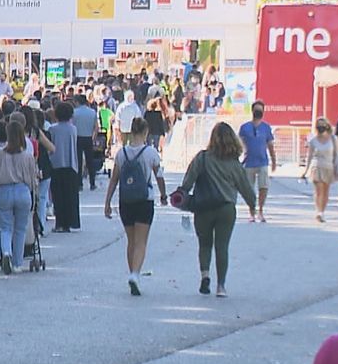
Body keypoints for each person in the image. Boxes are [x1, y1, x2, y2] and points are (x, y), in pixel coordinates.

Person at [180, 122, 258, 297]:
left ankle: (205, 276)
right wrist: (253, 206)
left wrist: (182, 195)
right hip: (226, 209)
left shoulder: (202, 158)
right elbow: (246, 188)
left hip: (203, 207)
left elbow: (188, 181)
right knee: (222, 246)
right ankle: (221, 286)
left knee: (204, 244)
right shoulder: (235, 164)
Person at [103, 116, 167, 296]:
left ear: (131, 131)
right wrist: (163, 195)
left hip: (126, 200)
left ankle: (133, 273)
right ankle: (135, 274)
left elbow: (114, 180)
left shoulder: (121, 153)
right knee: (141, 241)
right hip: (144, 200)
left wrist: (107, 202)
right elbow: (159, 176)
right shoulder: (150, 153)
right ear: (146, 132)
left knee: (131, 240)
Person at [0, 116, 38, 275]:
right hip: (22, 191)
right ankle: (17, 263)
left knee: (5, 228)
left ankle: (6, 252)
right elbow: (32, 178)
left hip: (4, 190)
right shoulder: (27, 155)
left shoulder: (0, 153)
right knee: (20, 229)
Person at [239, 101, 277, 223]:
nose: (258, 112)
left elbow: (270, 145)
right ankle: (252, 212)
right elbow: (239, 143)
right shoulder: (244, 128)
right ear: (252, 111)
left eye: (260, 110)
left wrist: (274, 160)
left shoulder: (266, 128)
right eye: (256, 110)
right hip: (248, 162)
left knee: (263, 187)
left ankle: (260, 211)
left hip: (262, 162)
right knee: (249, 189)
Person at [48, 103, 81, 232]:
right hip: (70, 164)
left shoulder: (52, 129)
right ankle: (70, 222)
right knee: (70, 196)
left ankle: (60, 223)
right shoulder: (73, 129)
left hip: (56, 164)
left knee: (58, 196)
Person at [300, 118, 338, 222]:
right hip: (317, 167)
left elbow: (337, 155)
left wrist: (337, 169)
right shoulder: (313, 141)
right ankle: (318, 212)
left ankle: (322, 211)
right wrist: (305, 171)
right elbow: (309, 156)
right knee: (318, 190)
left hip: (329, 167)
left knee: (325, 191)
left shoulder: (333, 139)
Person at [72, 96, 100, 191]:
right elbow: (96, 127)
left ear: (77, 102)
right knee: (90, 161)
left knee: (78, 161)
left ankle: (79, 183)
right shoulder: (92, 112)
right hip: (88, 137)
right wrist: (93, 137)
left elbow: (72, 126)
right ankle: (92, 183)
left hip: (78, 137)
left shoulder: (74, 112)